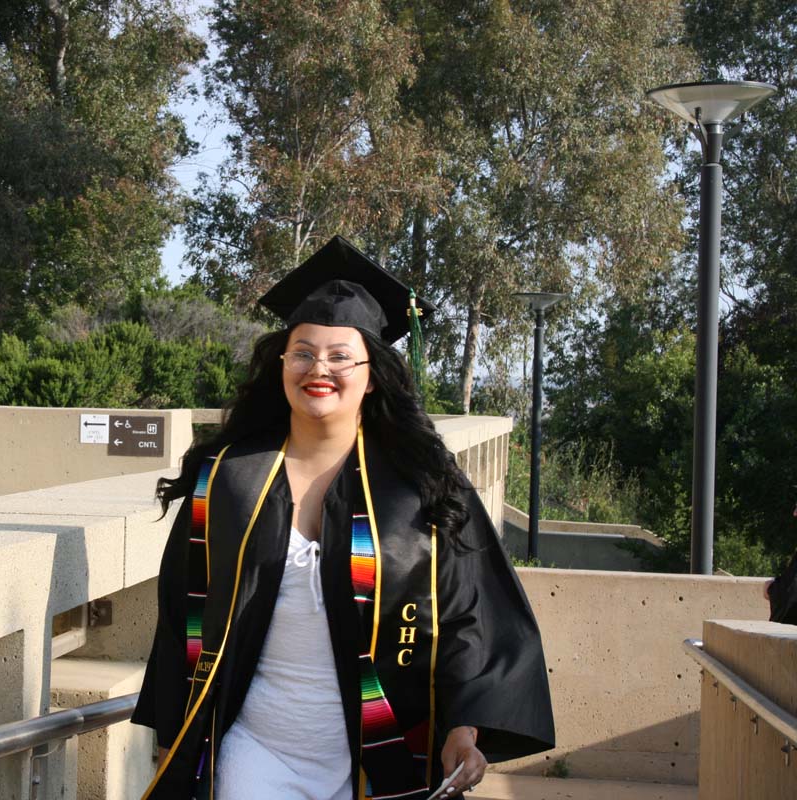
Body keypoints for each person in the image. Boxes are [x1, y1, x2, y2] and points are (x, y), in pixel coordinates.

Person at [131, 235, 555, 800]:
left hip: (384, 752)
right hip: (255, 749)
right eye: (302, 352)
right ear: (282, 363)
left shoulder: (420, 486)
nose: (318, 369)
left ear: (372, 373)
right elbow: (183, 613)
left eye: (339, 356)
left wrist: (464, 725)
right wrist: (173, 736)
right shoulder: (230, 479)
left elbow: (470, 615)